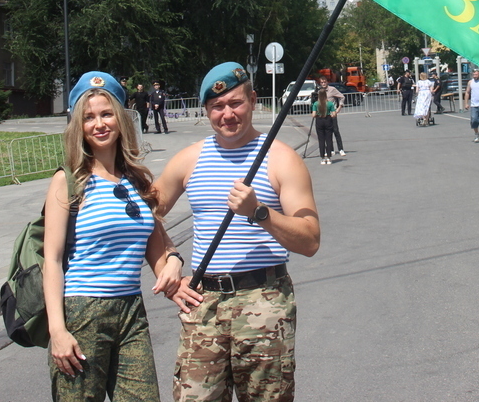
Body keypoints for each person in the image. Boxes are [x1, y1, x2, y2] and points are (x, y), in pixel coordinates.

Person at [153, 62, 320, 401]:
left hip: (265, 301)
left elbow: (311, 239)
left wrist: (259, 213)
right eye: (217, 107)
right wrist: (168, 262)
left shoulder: (281, 158)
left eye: (235, 103)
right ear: (206, 110)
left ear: (254, 100)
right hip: (204, 303)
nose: (227, 114)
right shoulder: (189, 160)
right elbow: (143, 219)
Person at [43, 71, 183, 401]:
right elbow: (50, 260)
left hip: (131, 312)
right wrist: (57, 330)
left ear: (120, 118)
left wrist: (174, 262)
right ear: (79, 125)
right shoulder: (68, 182)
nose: (99, 124)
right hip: (82, 312)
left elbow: (159, 246)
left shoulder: (136, 181)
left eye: (106, 114)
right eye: (89, 117)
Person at [316, 76, 347, 156]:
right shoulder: (319, 91)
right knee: (327, 133)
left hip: (331, 113)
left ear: (327, 82)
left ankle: (341, 149)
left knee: (335, 130)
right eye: (321, 82)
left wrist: (339, 107)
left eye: (324, 82)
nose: (323, 84)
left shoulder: (332, 89)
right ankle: (330, 149)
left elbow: (342, 97)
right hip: (323, 114)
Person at [312, 86, 336, 164]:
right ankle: (329, 157)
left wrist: (317, 115)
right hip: (328, 119)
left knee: (321, 140)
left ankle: (322, 158)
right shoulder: (329, 103)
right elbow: (334, 114)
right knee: (328, 139)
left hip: (319, 120)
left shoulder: (316, 104)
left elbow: (313, 115)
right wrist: (331, 115)